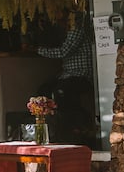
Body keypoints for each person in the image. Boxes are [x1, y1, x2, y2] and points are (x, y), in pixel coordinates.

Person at [34, 9, 94, 144]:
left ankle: (77, 126)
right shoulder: (66, 29)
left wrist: (38, 50)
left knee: (61, 92)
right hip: (67, 74)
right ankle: (49, 129)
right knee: (43, 91)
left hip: (81, 74)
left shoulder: (77, 28)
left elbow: (64, 51)